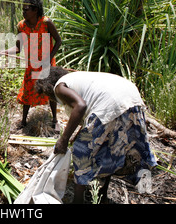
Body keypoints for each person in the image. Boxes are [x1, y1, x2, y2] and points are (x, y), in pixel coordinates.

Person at [35, 67, 157, 203]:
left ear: (48, 86)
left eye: (46, 94)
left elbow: (80, 106)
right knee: (111, 149)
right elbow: (90, 105)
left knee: (80, 152)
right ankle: (102, 195)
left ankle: (78, 201)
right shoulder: (76, 78)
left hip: (111, 103)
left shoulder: (59, 87)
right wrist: (77, 134)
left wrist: (64, 140)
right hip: (132, 99)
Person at [0, 0, 62, 128]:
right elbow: (17, 48)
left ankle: (55, 120)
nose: (23, 12)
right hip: (32, 65)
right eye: (23, 9)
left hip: (46, 64)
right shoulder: (22, 26)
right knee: (27, 91)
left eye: (26, 9)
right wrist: (1, 52)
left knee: (50, 90)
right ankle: (23, 121)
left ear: (35, 10)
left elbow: (58, 41)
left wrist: (49, 58)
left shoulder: (46, 23)